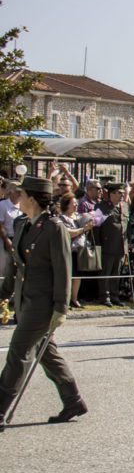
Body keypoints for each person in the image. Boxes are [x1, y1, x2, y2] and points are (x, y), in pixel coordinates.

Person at [0, 176, 87, 429]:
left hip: (42, 305)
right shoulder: (22, 224)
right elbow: (17, 266)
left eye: (22, 193)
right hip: (25, 300)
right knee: (46, 352)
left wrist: (61, 308)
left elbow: (63, 270)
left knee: (18, 353)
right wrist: (4, 294)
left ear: (32, 198)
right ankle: (73, 400)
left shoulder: (54, 228)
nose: (17, 197)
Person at [57, 193, 95, 309]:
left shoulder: (78, 217)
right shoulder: (62, 218)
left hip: (80, 249)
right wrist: (83, 229)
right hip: (68, 250)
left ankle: (74, 298)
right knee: (67, 276)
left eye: (76, 204)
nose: (75, 206)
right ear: (66, 205)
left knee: (78, 276)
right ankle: (65, 300)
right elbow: (68, 232)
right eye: (73, 204)